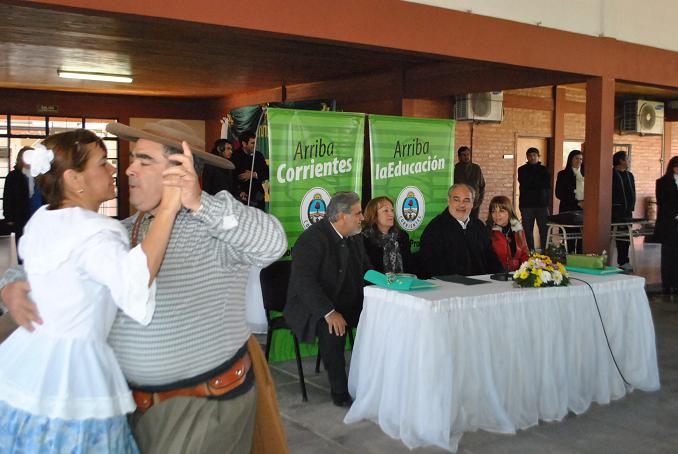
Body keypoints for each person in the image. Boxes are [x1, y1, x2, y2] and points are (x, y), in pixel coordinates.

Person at [0, 119, 288, 454]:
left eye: (143, 160)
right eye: (131, 158)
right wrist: (12, 283)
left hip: (200, 407)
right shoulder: (119, 229)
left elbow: (273, 243)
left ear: (179, 170)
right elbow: (56, 265)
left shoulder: (215, 226)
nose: (128, 169)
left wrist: (199, 202)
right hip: (122, 406)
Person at [0, 129, 181, 452]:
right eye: (102, 163)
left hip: (28, 360)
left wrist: (9, 286)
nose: (114, 169)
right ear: (74, 179)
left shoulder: (44, 218)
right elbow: (133, 283)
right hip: (72, 370)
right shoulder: (96, 231)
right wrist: (168, 209)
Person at [284, 191, 371, 407]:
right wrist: (329, 312)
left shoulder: (355, 236)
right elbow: (304, 283)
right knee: (333, 328)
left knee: (380, 319)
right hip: (313, 305)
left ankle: (374, 380)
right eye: (358, 213)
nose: (362, 218)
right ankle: (340, 393)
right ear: (341, 216)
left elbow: (366, 271)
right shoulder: (311, 239)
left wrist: (388, 284)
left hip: (347, 300)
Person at [418, 184, 502, 279]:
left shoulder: (479, 226)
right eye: (456, 200)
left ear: (472, 203)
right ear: (449, 201)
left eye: (466, 200)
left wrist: (500, 278)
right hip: (448, 284)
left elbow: (491, 258)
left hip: (482, 283)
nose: (461, 205)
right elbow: (430, 265)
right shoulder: (435, 228)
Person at [361, 196, 412, 274]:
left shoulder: (402, 236)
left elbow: (409, 266)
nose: (391, 214)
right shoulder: (364, 239)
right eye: (385, 210)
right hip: (374, 281)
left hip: (402, 281)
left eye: (392, 210)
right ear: (374, 215)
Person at [2, 146, 43, 239]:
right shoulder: (13, 176)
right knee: (22, 240)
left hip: (38, 213)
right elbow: (8, 197)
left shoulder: (40, 175)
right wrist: (9, 217)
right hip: (21, 215)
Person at [517, 147, 551, 251]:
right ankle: (529, 252)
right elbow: (524, 183)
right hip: (526, 205)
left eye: (534, 155)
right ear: (527, 157)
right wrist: (537, 183)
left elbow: (547, 185)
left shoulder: (544, 169)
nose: (532, 157)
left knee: (544, 230)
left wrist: (533, 183)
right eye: (530, 156)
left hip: (542, 204)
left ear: (538, 156)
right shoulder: (522, 169)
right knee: (527, 231)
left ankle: (545, 252)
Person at [654, 156, 678, 295]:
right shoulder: (662, 182)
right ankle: (667, 284)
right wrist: (675, 214)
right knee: (668, 254)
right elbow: (662, 202)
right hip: (668, 222)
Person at [486, 195, 530, 272]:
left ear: (509, 212)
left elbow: (525, 255)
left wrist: (526, 272)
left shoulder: (518, 230)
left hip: (517, 274)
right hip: (496, 275)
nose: (497, 215)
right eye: (493, 211)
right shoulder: (487, 232)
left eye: (501, 211)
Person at [555, 149, 585, 253]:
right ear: (570, 160)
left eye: (581, 159)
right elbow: (559, 193)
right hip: (569, 209)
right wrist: (577, 202)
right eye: (576, 158)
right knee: (570, 237)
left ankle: (581, 258)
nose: (579, 161)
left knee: (582, 238)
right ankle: (569, 256)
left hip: (583, 209)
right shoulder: (563, 174)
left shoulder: (586, 174)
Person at [231, 131, 269, 210]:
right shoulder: (234, 156)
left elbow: (267, 173)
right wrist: (239, 191)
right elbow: (231, 178)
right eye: (252, 143)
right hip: (240, 198)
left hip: (258, 198)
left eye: (255, 143)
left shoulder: (258, 155)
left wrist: (254, 174)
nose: (255, 145)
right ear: (244, 144)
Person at [611, 151, 636, 270]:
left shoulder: (629, 175)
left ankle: (624, 261)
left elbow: (632, 192)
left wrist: (631, 206)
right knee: (614, 236)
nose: (629, 161)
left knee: (625, 237)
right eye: (627, 158)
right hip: (615, 211)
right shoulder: (611, 174)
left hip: (627, 212)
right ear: (621, 160)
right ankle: (605, 260)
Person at [454, 146, 486, 219]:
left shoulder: (476, 168)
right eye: (464, 155)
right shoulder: (454, 169)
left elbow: (482, 186)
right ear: (459, 157)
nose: (466, 157)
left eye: (468, 154)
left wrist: (479, 202)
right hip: (460, 205)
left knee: (474, 224)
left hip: (474, 205)